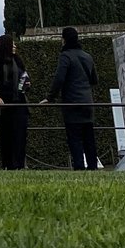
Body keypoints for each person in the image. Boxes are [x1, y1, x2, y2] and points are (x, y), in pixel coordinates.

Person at [43, 26, 99, 170]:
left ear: (64, 39)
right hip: (87, 102)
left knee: (75, 138)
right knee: (89, 137)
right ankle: (92, 166)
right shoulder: (87, 56)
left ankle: (79, 167)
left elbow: (59, 79)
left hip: (72, 102)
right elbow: (94, 80)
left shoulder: (65, 56)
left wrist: (50, 97)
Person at [0, 33, 29, 169]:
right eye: (12, 44)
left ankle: (19, 164)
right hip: (4, 105)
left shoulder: (18, 61)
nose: (15, 46)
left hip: (19, 103)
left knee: (20, 136)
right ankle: (8, 165)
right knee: (6, 136)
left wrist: (25, 84)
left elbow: (24, 75)